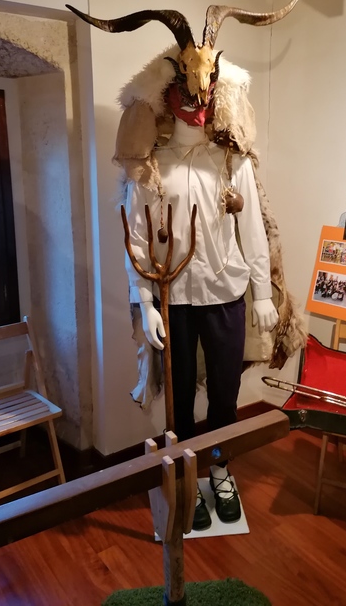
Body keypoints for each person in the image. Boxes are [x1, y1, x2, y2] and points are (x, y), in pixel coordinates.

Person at [125, 98, 278, 530]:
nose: (195, 105)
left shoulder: (232, 162)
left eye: (204, 95)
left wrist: (262, 292)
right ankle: (184, 473)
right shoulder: (150, 164)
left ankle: (220, 468)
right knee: (178, 396)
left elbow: (252, 229)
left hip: (224, 291)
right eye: (185, 94)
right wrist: (144, 302)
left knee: (225, 391)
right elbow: (136, 237)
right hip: (171, 296)